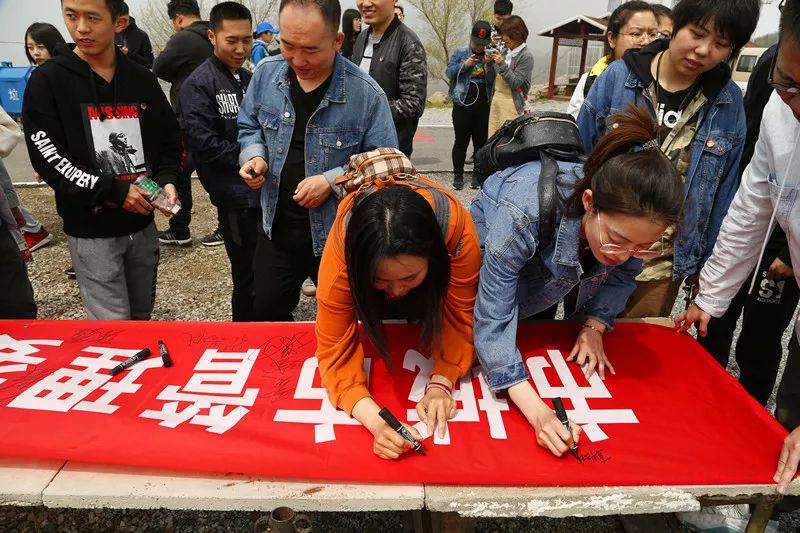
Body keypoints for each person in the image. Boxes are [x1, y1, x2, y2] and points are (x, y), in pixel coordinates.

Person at [472, 106, 684, 456]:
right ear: (589, 202)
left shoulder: (627, 238)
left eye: (643, 247)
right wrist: (537, 411)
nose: (624, 255)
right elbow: (493, 314)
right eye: (617, 239)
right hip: (488, 267)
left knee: (535, 336)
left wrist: (596, 324)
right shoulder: (522, 212)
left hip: (550, 269)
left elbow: (625, 272)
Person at [674, 0, 800, 497]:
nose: (797, 103)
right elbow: (754, 204)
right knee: (789, 419)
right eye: (789, 83)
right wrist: (712, 294)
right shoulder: (777, 110)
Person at [578, 0, 760, 318]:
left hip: (661, 267)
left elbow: (724, 197)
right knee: (578, 345)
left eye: (721, 44)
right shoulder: (618, 77)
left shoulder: (729, 102)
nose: (703, 50)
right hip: (601, 247)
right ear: (676, 23)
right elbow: (579, 157)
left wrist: (707, 271)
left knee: (631, 354)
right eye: (697, 33)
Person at [237, 0, 398, 322]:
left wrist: (331, 181)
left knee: (345, 317)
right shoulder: (266, 75)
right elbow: (248, 125)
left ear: (337, 42)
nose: (298, 60)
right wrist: (255, 155)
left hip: (337, 236)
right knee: (266, 309)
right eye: (288, 45)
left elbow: (387, 164)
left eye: (310, 49)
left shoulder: (366, 95)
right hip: (276, 228)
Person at [22, 0, 181, 320]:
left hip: (142, 224)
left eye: (92, 18)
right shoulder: (48, 81)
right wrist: (114, 191)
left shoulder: (142, 79)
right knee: (112, 329)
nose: (80, 28)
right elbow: (49, 158)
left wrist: (168, 180)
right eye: (71, 16)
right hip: (91, 230)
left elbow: (169, 138)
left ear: (119, 22)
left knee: (142, 318)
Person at [316, 175, 481, 459]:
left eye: (408, 277)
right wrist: (375, 420)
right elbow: (334, 345)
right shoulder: (343, 250)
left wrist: (441, 383)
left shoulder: (455, 231)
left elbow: (460, 315)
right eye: (380, 280)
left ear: (435, 258)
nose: (395, 291)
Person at [181, 2, 259, 322]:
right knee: (246, 277)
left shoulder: (249, 77)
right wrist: (247, 158)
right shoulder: (199, 84)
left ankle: (271, 327)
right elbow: (203, 142)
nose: (241, 48)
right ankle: (246, 336)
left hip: (260, 191)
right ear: (212, 36)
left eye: (247, 39)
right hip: (233, 196)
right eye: (232, 40)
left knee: (267, 272)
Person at [153, 0, 215, 248]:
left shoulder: (183, 39)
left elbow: (158, 68)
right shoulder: (215, 34)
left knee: (180, 174)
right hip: (216, 116)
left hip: (189, 118)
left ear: (177, 18)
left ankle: (180, 229)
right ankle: (226, 227)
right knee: (216, 172)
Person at [351, 0, 427, 157]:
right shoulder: (361, 39)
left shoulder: (408, 43)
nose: (365, 4)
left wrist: (368, 111)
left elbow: (414, 104)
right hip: (356, 149)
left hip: (389, 153)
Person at [567, 2, 659, 118]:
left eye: (653, 34)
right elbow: (575, 130)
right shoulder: (590, 80)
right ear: (612, 39)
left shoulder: (663, 81)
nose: (646, 41)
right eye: (636, 33)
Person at [446, 21, 496, 191]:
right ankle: (458, 175)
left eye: (483, 44)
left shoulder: (491, 56)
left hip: (483, 106)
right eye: (476, 43)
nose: (479, 47)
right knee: (461, 141)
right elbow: (449, 72)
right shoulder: (461, 52)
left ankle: (477, 175)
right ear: (471, 38)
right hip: (462, 104)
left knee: (480, 143)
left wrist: (489, 64)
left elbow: (492, 81)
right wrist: (465, 65)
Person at [485, 15, 533, 134]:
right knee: (492, 139)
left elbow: (515, 82)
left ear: (518, 35)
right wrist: (489, 63)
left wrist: (501, 63)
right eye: (503, 34)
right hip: (496, 101)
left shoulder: (526, 56)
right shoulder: (505, 52)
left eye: (507, 35)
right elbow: (491, 78)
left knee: (508, 141)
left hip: (512, 103)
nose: (504, 38)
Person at [115, 2, 154, 69]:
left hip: (135, 76)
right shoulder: (109, 33)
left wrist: (128, 54)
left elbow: (150, 64)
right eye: (117, 21)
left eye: (123, 20)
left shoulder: (142, 35)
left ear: (127, 16)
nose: (121, 24)